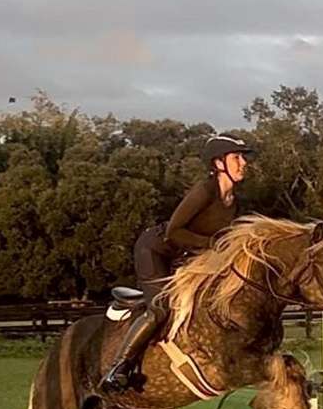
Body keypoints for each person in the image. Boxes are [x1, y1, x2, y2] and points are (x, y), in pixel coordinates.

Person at [100, 134, 254, 392]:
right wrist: (213, 245)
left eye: (243, 158)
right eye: (236, 157)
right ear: (218, 163)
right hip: (155, 250)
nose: (243, 163)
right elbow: (174, 231)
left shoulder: (233, 202)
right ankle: (119, 368)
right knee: (161, 308)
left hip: (185, 257)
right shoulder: (204, 191)